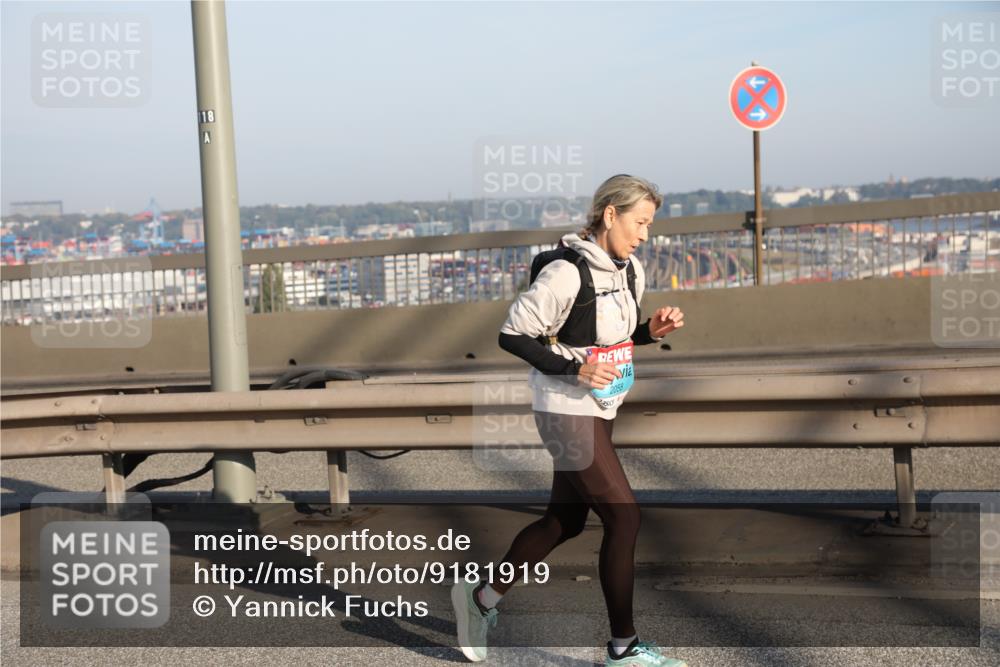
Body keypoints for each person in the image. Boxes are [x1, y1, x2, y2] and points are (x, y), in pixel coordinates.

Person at [451, 174, 688, 666]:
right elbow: (513, 335)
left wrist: (648, 332)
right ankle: (623, 649)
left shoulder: (629, 271)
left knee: (566, 520)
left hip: (602, 407)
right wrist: (571, 368)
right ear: (610, 215)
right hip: (565, 411)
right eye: (640, 222)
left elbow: (604, 338)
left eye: (649, 224)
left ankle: (479, 600)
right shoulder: (564, 272)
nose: (645, 234)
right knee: (625, 516)